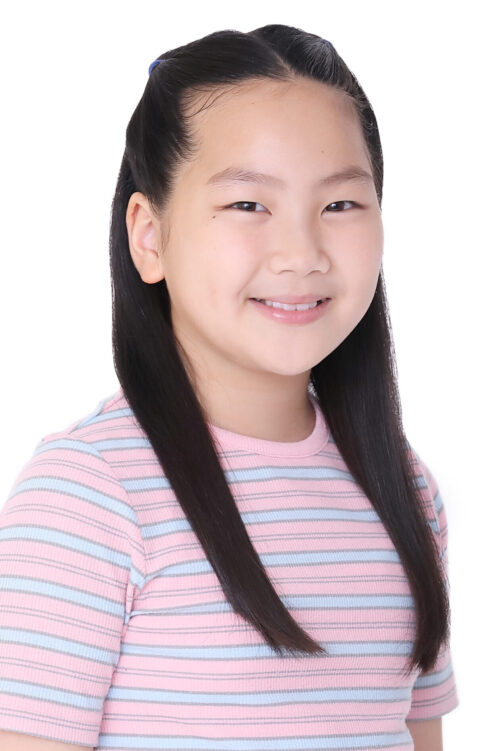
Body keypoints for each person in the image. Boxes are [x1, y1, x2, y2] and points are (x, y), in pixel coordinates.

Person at [0, 23, 459, 751]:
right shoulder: (88, 497)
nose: (301, 254)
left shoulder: (405, 490)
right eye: (248, 205)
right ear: (149, 235)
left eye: (340, 205)